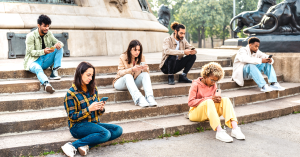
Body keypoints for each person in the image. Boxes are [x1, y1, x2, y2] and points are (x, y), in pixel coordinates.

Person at [62, 62, 123, 157]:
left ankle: (86, 145)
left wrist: (100, 108)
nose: (90, 78)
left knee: (118, 129)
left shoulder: (93, 88)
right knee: (105, 133)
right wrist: (89, 109)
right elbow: (72, 117)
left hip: (94, 123)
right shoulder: (71, 93)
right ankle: (71, 145)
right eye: (88, 75)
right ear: (80, 74)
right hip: (77, 127)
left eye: (92, 75)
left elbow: (98, 113)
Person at [188, 62, 245, 143]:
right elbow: (190, 102)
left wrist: (217, 99)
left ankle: (235, 128)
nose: (213, 83)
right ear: (205, 76)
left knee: (225, 99)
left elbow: (212, 101)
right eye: (212, 80)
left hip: (209, 113)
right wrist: (209, 98)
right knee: (208, 101)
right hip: (195, 114)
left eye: (216, 81)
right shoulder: (195, 84)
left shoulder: (213, 85)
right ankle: (219, 131)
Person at [24, 14, 64, 94]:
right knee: (38, 68)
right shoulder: (30, 36)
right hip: (33, 62)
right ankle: (46, 84)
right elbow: (30, 52)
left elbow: (59, 42)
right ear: (38, 25)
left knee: (59, 48)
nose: (47, 28)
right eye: (45, 26)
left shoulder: (49, 33)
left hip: (45, 60)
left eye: (48, 26)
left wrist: (58, 44)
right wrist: (43, 51)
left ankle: (54, 72)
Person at [113, 40, 157, 108]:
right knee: (128, 76)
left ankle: (149, 97)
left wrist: (145, 68)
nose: (137, 52)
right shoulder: (123, 57)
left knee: (145, 74)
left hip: (133, 83)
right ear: (130, 49)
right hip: (120, 83)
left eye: (139, 50)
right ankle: (139, 99)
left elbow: (146, 73)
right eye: (135, 50)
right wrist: (132, 69)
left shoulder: (141, 57)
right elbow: (120, 72)